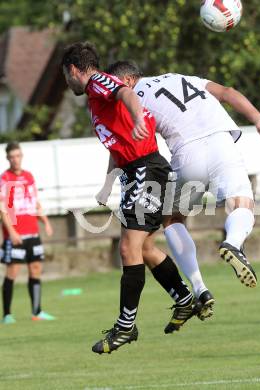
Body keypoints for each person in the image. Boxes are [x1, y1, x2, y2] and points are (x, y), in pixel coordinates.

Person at [61, 42, 203, 355]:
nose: (67, 83)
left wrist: (139, 117)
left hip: (146, 170)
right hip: (136, 171)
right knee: (146, 247)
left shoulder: (97, 82)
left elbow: (126, 93)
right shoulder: (95, 100)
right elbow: (117, 145)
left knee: (128, 248)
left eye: (65, 76)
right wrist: (108, 183)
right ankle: (183, 298)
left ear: (73, 69)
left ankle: (126, 326)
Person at [98, 61, 260, 296]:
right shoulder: (180, 76)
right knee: (241, 204)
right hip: (222, 143)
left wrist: (108, 184)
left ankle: (199, 287)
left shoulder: (130, 99)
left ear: (128, 80)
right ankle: (233, 242)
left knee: (172, 219)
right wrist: (258, 118)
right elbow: (227, 93)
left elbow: (123, 146)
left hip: (187, 153)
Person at [0, 142, 55, 324]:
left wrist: (45, 222)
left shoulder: (29, 176)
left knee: (36, 269)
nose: (16, 159)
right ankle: (7, 314)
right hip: (15, 233)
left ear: (21, 156)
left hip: (33, 230)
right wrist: (11, 232)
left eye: (18, 155)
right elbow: (4, 209)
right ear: (8, 158)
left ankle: (37, 312)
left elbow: (35, 202)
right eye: (12, 156)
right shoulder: (5, 178)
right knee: (12, 272)